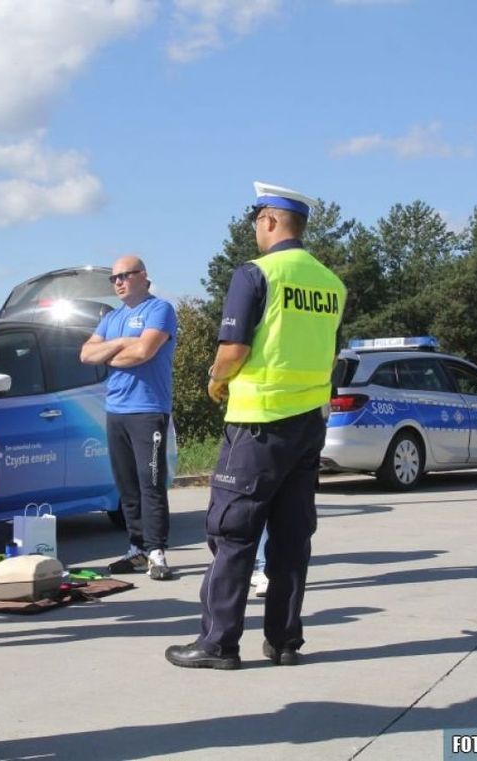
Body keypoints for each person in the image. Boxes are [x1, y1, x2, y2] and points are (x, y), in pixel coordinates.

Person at [166, 182, 346, 670]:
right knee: (291, 537)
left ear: (269, 221)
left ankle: (218, 643)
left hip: (257, 424)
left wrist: (215, 379)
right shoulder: (331, 284)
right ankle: (284, 641)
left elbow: (234, 349)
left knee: (233, 533)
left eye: (256, 222)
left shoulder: (256, 274)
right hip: (308, 425)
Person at [80, 256, 177, 580]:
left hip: (148, 410)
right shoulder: (112, 318)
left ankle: (156, 551)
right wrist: (122, 342)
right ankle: (137, 549)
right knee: (127, 486)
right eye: (114, 278)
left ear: (143, 276)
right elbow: (86, 354)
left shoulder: (159, 310)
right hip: (116, 410)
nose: (118, 282)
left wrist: (110, 353)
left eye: (124, 275)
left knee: (151, 482)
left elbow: (143, 352)